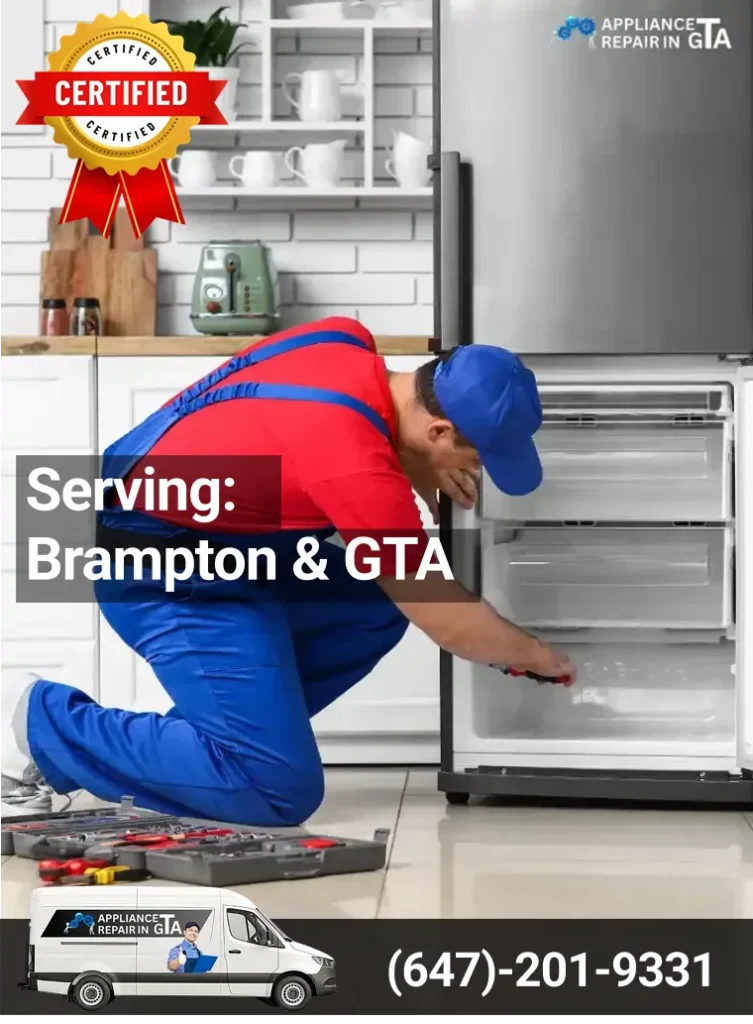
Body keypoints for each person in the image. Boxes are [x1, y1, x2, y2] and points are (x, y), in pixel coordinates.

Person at [0, 317, 576, 824]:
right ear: (439, 432)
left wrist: (418, 468)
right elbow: (447, 621)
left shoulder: (344, 340)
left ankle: (208, 748)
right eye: (475, 457)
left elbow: (286, 429)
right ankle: (42, 723)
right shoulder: (356, 466)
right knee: (279, 789)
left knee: (371, 607)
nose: (475, 471)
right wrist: (543, 659)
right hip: (162, 565)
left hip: (233, 541)